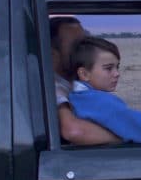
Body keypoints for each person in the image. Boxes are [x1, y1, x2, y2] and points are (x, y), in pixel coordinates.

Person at [50, 16, 122, 145]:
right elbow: (72, 130)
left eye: (85, 42)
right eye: (77, 45)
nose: (85, 49)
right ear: (52, 53)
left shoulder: (76, 83)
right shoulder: (53, 87)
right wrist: (126, 138)